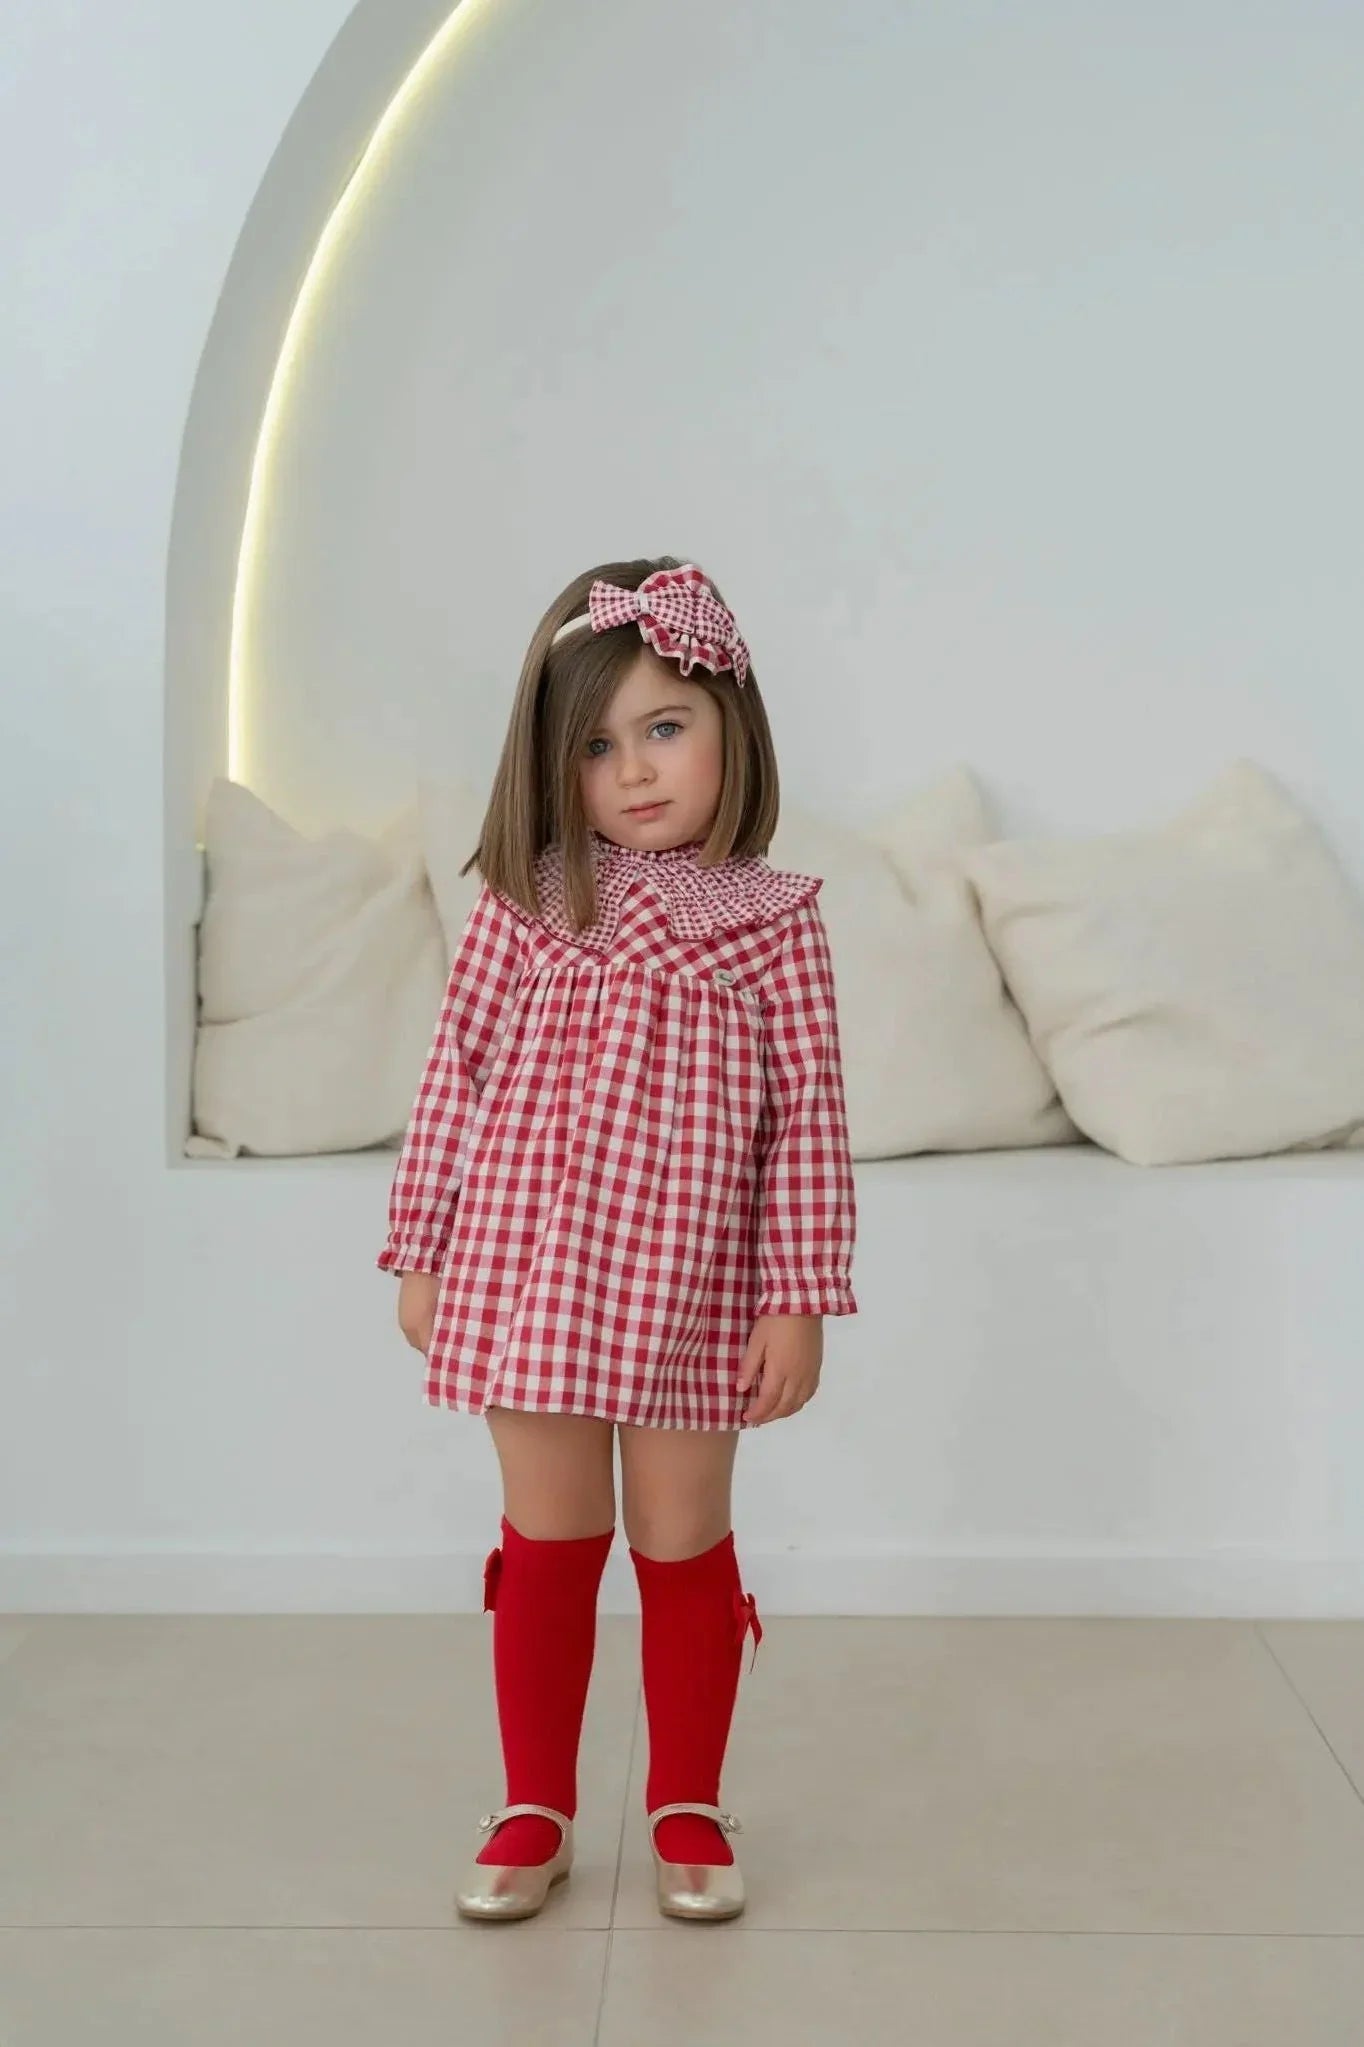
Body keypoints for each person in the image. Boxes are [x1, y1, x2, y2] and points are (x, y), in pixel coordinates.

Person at [379, 556, 858, 1924]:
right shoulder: (526, 903)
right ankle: (534, 1803)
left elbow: (808, 1121)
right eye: (596, 745)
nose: (635, 770)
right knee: (549, 1534)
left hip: (698, 1284)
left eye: (664, 727)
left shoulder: (772, 924)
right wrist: (423, 1247)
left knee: (682, 1533)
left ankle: (686, 1801)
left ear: (729, 724)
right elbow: (456, 1077)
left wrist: (798, 1296)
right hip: (525, 1269)